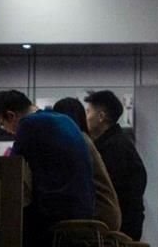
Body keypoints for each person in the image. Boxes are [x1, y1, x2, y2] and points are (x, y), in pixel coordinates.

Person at [0, 90, 93, 247]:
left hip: (56, 216)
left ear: (11, 116)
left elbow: (10, 169)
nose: (6, 130)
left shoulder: (28, 125)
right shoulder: (64, 119)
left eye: (2, 124)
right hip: (84, 212)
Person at [52, 97, 122, 232]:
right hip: (108, 215)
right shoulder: (85, 139)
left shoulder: (73, 140)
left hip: (97, 217)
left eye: (89, 111)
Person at [85, 90, 148, 240]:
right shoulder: (118, 143)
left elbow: (110, 191)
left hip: (118, 231)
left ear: (101, 117)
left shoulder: (114, 148)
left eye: (88, 112)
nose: (85, 117)